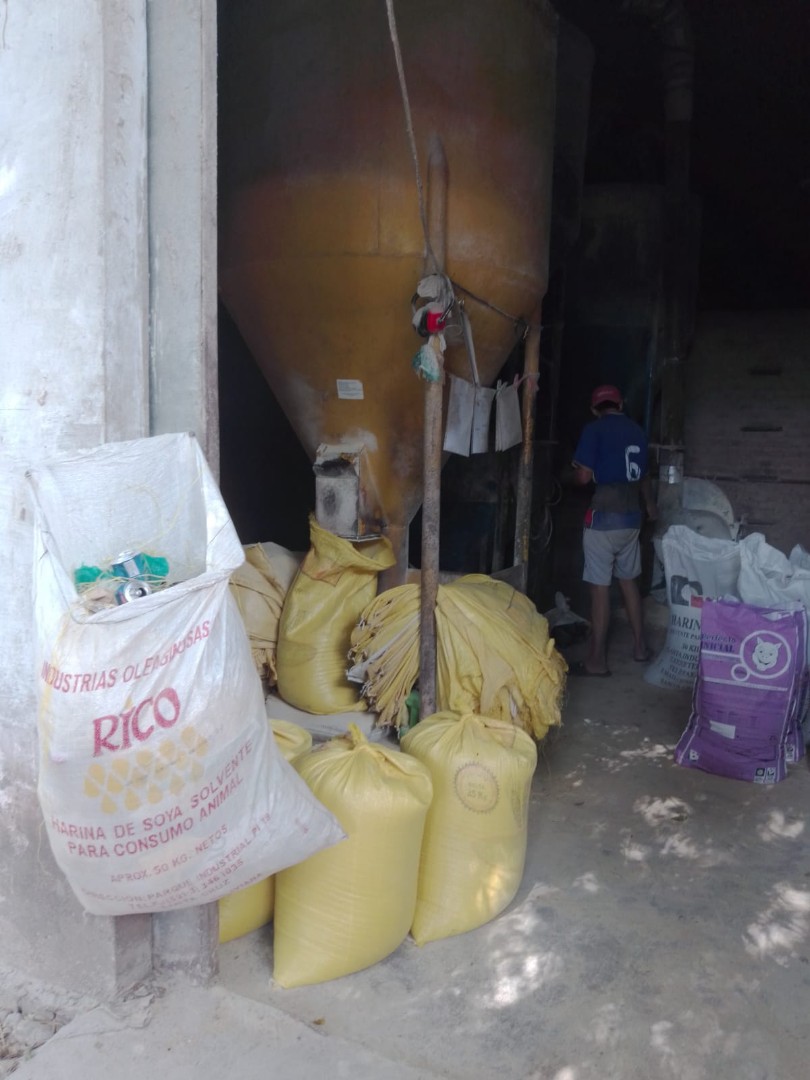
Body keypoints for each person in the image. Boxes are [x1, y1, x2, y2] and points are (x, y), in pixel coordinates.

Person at [568, 384, 657, 676]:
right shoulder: (637, 431)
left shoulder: (594, 430)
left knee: (600, 589)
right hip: (632, 519)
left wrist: (572, 475)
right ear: (621, 405)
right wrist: (650, 506)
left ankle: (596, 661)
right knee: (629, 581)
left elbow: (582, 477)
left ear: (595, 409)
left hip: (603, 519)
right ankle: (641, 647)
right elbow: (644, 476)